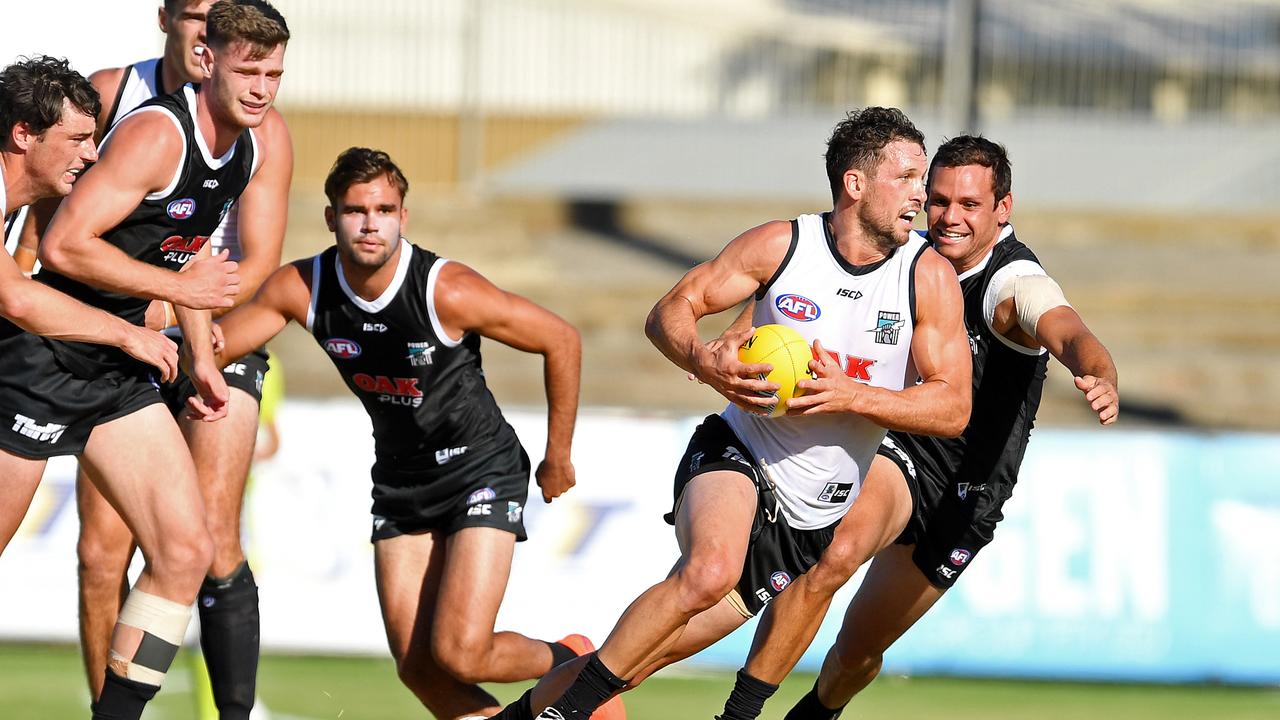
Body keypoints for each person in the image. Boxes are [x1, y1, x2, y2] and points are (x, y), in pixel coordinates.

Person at [488, 106, 973, 720]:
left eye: (920, 178)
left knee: (634, 662)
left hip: (811, 514)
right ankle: (567, 716)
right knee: (709, 569)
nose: (919, 194)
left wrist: (849, 395)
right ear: (856, 184)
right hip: (738, 453)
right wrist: (702, 357)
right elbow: (671, 309)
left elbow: (953, 406)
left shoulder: (927, 278)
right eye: (905, 177)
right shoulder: (783, 245)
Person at [213, 146, 623, 720]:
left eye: (384, 209)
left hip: (480, 469)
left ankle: (573, 659)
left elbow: (561, 339)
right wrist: (163, 316)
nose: (370, 222)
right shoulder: (302, 286)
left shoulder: (445, 289)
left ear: (403, 216)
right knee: (418, 668)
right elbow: (214, 349)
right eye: (356, 210)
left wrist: (559, 456)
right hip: (402, 481)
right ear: (331, 218)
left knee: (462, 653)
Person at [721, 135, 1118, 720]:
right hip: (904, 447)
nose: (950, 218)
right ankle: (739, 713)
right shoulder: (905, 255)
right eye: (938, 201)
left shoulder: (1013, 286)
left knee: (857, 653)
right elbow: (800, 286)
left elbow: (1065, 328)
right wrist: (739, 334)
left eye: (970, 205)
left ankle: (817, 712)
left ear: (1003, 209)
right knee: (835, 554)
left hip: (970, 490)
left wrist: (1096, 371)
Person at [0, 2, 290, 717]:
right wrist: (145, 321)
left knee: (187, 550)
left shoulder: (249, 147)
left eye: (274, 74)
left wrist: (203, 359)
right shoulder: (157, 133)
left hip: (120, 370)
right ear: (208, 59)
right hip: (45, 360)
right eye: (248, 70)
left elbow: (184, 259)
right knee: (94, 557)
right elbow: (62, 249)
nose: (260, 88)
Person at [0, 54, 181, 549]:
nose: (93, 154)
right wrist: (130, 334)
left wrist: (156, 312)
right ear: (23, 135)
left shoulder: (20, 207)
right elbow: (15, 298)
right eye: (77, 139)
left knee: (184, 549)